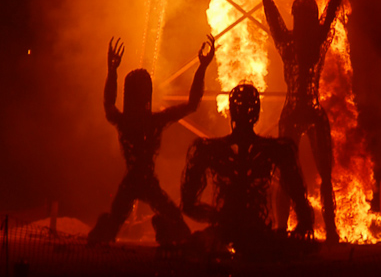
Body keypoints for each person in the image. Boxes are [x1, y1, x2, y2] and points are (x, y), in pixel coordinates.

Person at [247, 0, 363, 242]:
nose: (304, 21)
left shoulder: (305, 43)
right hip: (299, 113)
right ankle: (286, 227)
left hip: (309, 111)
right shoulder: (296, 44)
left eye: (305, 16)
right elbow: (267, 0)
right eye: (303, 16)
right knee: (289, 175)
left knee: (324, 176)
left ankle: (332, 229)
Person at [88, 35, 214, 245]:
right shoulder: (152, 121)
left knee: (115, 225)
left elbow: (108, 104)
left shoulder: (126, 121)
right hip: (143, 182)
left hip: (137, 182)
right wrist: (201, 68)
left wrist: (112, 71)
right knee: (176, 225)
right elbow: (192, 104)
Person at [181, 83, 313, 256]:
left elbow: (189, 203)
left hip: (249, 231)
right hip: (239, 231)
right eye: (241, 106)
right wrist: (219, 218)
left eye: (247, 106)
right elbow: (188, 203)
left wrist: (218, 217)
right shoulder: (275, 150)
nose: (244, 110)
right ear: (257, 114)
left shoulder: (211, 149)